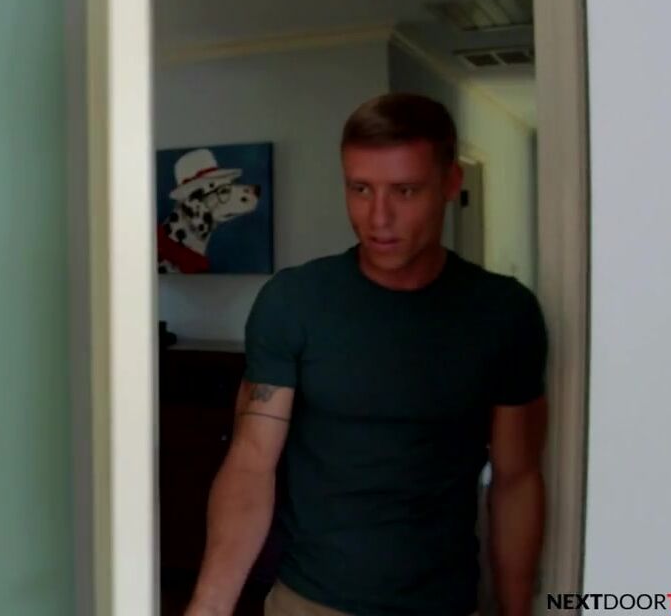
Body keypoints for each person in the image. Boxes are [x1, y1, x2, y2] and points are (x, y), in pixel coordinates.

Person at [184, 93, 548, 616]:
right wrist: (208, 607)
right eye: (360, 189)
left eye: (405, 190)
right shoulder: (294, 302)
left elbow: (516, 480)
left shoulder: (504, 313)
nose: (378, 218)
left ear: (450, 184)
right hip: (307, 602)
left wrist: (517, 611)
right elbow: (250, 463)